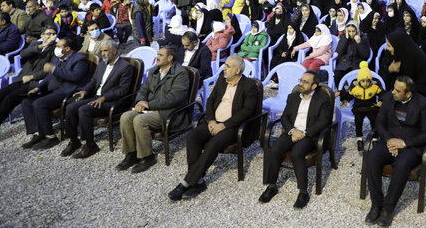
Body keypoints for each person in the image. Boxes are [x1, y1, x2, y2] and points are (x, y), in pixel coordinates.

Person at [168, 55, 259, 200]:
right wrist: (211, 121)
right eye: (225, 65)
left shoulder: (249, 87)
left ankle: (186, 183)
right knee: (193, 137)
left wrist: (225, 125)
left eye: (227, 66)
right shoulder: (222, 81)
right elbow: (210, 101)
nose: (224, 68)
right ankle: (198, 180)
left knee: (214, 143)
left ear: (237, 70)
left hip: (232, 127)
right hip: (214, 122)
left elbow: (246, 112)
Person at [363, 75, 426, 227]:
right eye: (393, 88)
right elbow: (380, 122)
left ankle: (388, 209)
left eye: (397, 90)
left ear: (408, 94)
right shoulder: (389, 98)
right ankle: (376, 204)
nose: (392, 92)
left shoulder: (423, 104)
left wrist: (404, 143)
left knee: (402, 165)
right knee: (372, 156)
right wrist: (389, 140)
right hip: (389, 141)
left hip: (411, 146)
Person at [259, 70, 332, 209]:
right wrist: (293, 130)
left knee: (297, 153)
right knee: (275, 149)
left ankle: (303, 192)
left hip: (309, 135)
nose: (301, 84)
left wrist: (304, 133)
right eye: (301, 80)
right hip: (292, 131)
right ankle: (272, 186)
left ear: (314, 86)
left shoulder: (322, 100)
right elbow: (285, 117)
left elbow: (324, 121)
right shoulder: (293, 97)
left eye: (305, 82)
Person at [116, 46, 190, 173]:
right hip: (151, 107)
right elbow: (143, 89)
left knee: (140, 120)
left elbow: (174, 98)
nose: (157, 57)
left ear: (170, 58)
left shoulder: (180, 74)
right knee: (125, 117)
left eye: (161, 55)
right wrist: (140, 101)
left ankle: (147, 157)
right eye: (158, 54)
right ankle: (131, 154)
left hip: (169, 112)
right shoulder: (154, 71)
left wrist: (149, 104)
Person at [61, 40, 134, 158]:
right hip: (97, 97)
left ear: (114, 51)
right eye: (101, 51)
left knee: (84, 110)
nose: (102, 54)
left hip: (112, 101)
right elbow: (93, 81)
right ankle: (74, 141)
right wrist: (85, 91)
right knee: (71, 107)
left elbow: (123, 90)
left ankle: (90, 145)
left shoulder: (125, 67)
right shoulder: (102, 64)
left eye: (105, 51)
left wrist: (105, 98)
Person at [0, 27, 57, 141]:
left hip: (35, 82)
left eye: (54, 34)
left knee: (10, 99)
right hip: (22, 79)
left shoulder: (56, 49)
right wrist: (41, 46)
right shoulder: (35, 44)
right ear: (42, 36)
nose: (51, 36)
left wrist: (32, 77)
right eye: (48, 34)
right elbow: (23, 55)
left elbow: (50, 69)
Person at [20, 38, 89, 150]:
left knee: (39, 103)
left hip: (68, 91)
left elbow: (75, 76)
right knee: (27, 102)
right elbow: (49, 77)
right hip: (55, 89)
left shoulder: (80, 59)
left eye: (58, 46)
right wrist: (38, 88)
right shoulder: (58, 59)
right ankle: (38, 133)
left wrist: (54, 69)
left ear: (67, 48)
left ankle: (50, 136)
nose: (56, 48)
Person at [338, 61, 383, 151]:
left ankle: (375, 138)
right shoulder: (355, 88)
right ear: (359, 81)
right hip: (358, 108)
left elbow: (383, 94)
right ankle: (359, 138)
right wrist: (340, 93)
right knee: (358, 119)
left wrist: (381, 101)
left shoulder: (375, 86)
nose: (365, 84)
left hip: (371, 107)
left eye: (367, 81)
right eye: (363, 81)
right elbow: (348, 96)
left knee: (374, 119)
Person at [380, 30, 426, 100]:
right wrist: (390, 69)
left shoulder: (417, 57)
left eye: (389, 45)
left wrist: (403, 89)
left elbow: (423, 85)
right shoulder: (393, 54)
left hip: (416, 96)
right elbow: (381, 76)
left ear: (398, 46)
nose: (387, 48)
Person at [333, 21, 370, 87]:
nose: (351, 34)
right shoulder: (343, 37)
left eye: (353, 31)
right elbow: (339, 51)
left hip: (357, 63)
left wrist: (359, 43)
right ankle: (341, 93)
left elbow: (365, 55)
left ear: (357, 30)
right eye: (349, 31)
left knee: (355, 81)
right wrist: (346, 39)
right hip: (345, 63)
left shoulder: (363, 37)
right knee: (337, 75)